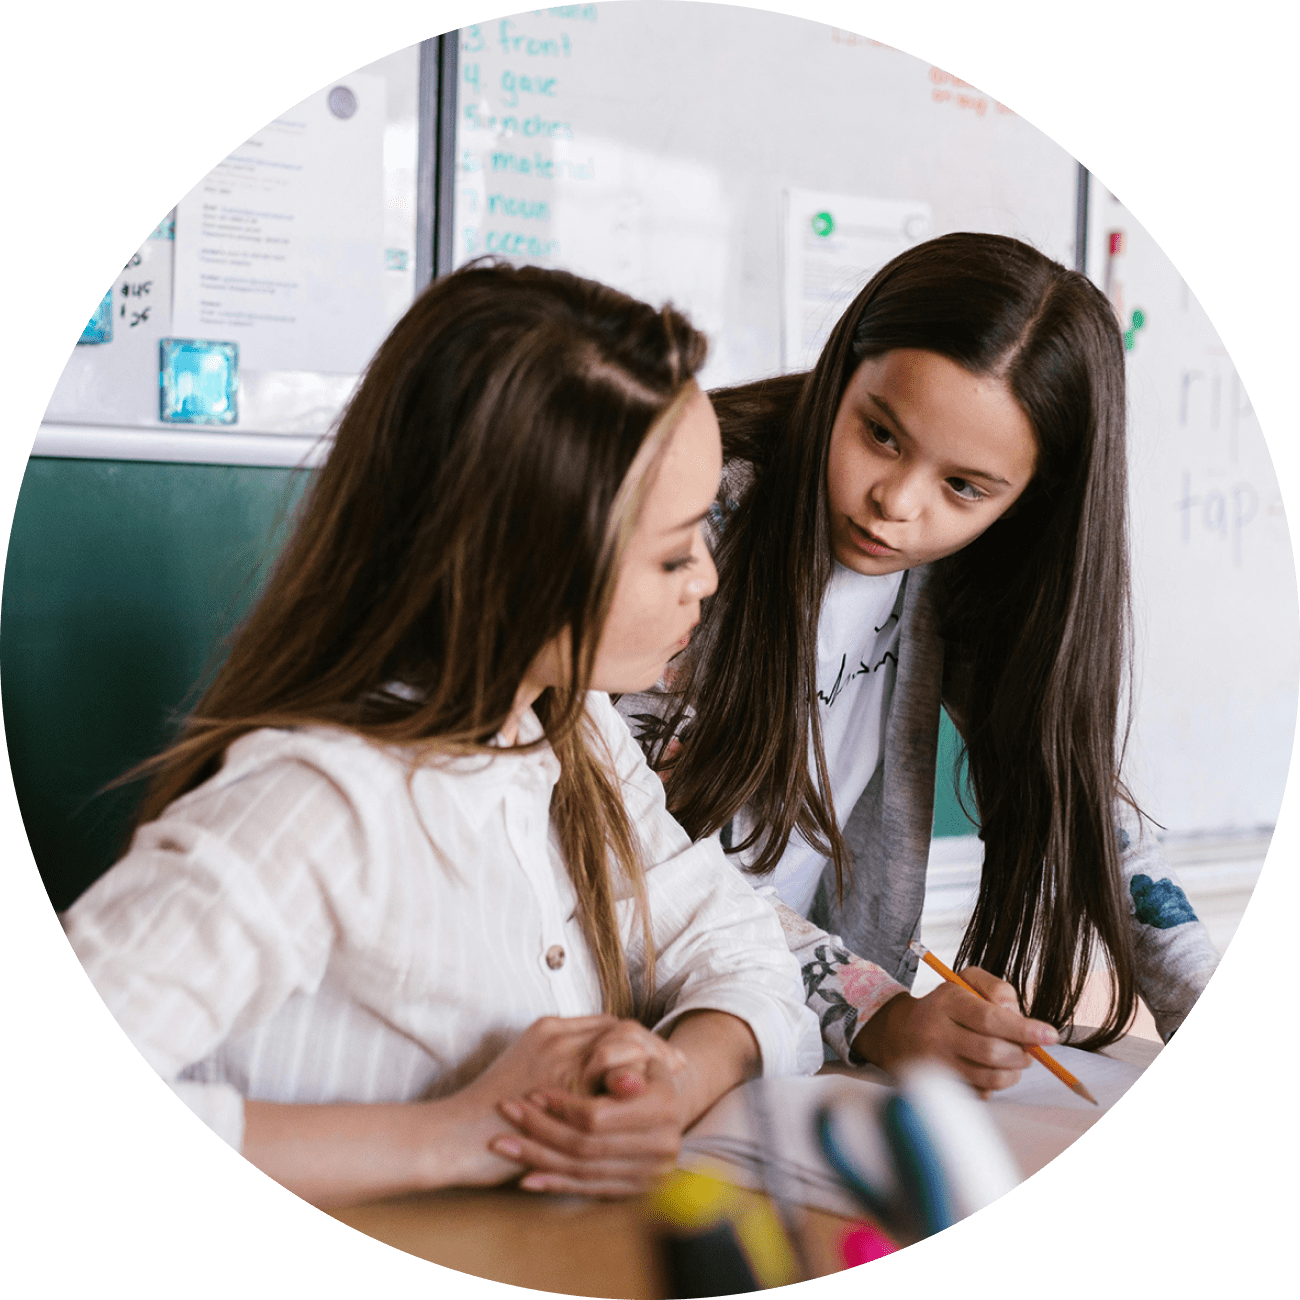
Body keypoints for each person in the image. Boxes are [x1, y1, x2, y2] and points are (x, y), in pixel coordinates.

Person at [62, 262, 821, 1209]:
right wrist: (457, 1136)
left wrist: (671, 1083)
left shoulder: (573, 729)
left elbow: (743, 948)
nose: (706, 578)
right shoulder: (320, 802)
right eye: (672, 553)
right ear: (519, 562)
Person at [619, 233, 1219, 1092]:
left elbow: (1082, 806)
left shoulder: (964, 573)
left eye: (964, 487)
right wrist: (881, 1015)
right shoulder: (693, 521)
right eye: (881, 433)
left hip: (781, 1038)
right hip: (630, 1012)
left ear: (1029, 501)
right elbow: (638, 845)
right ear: (844, 369)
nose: (895, 503)